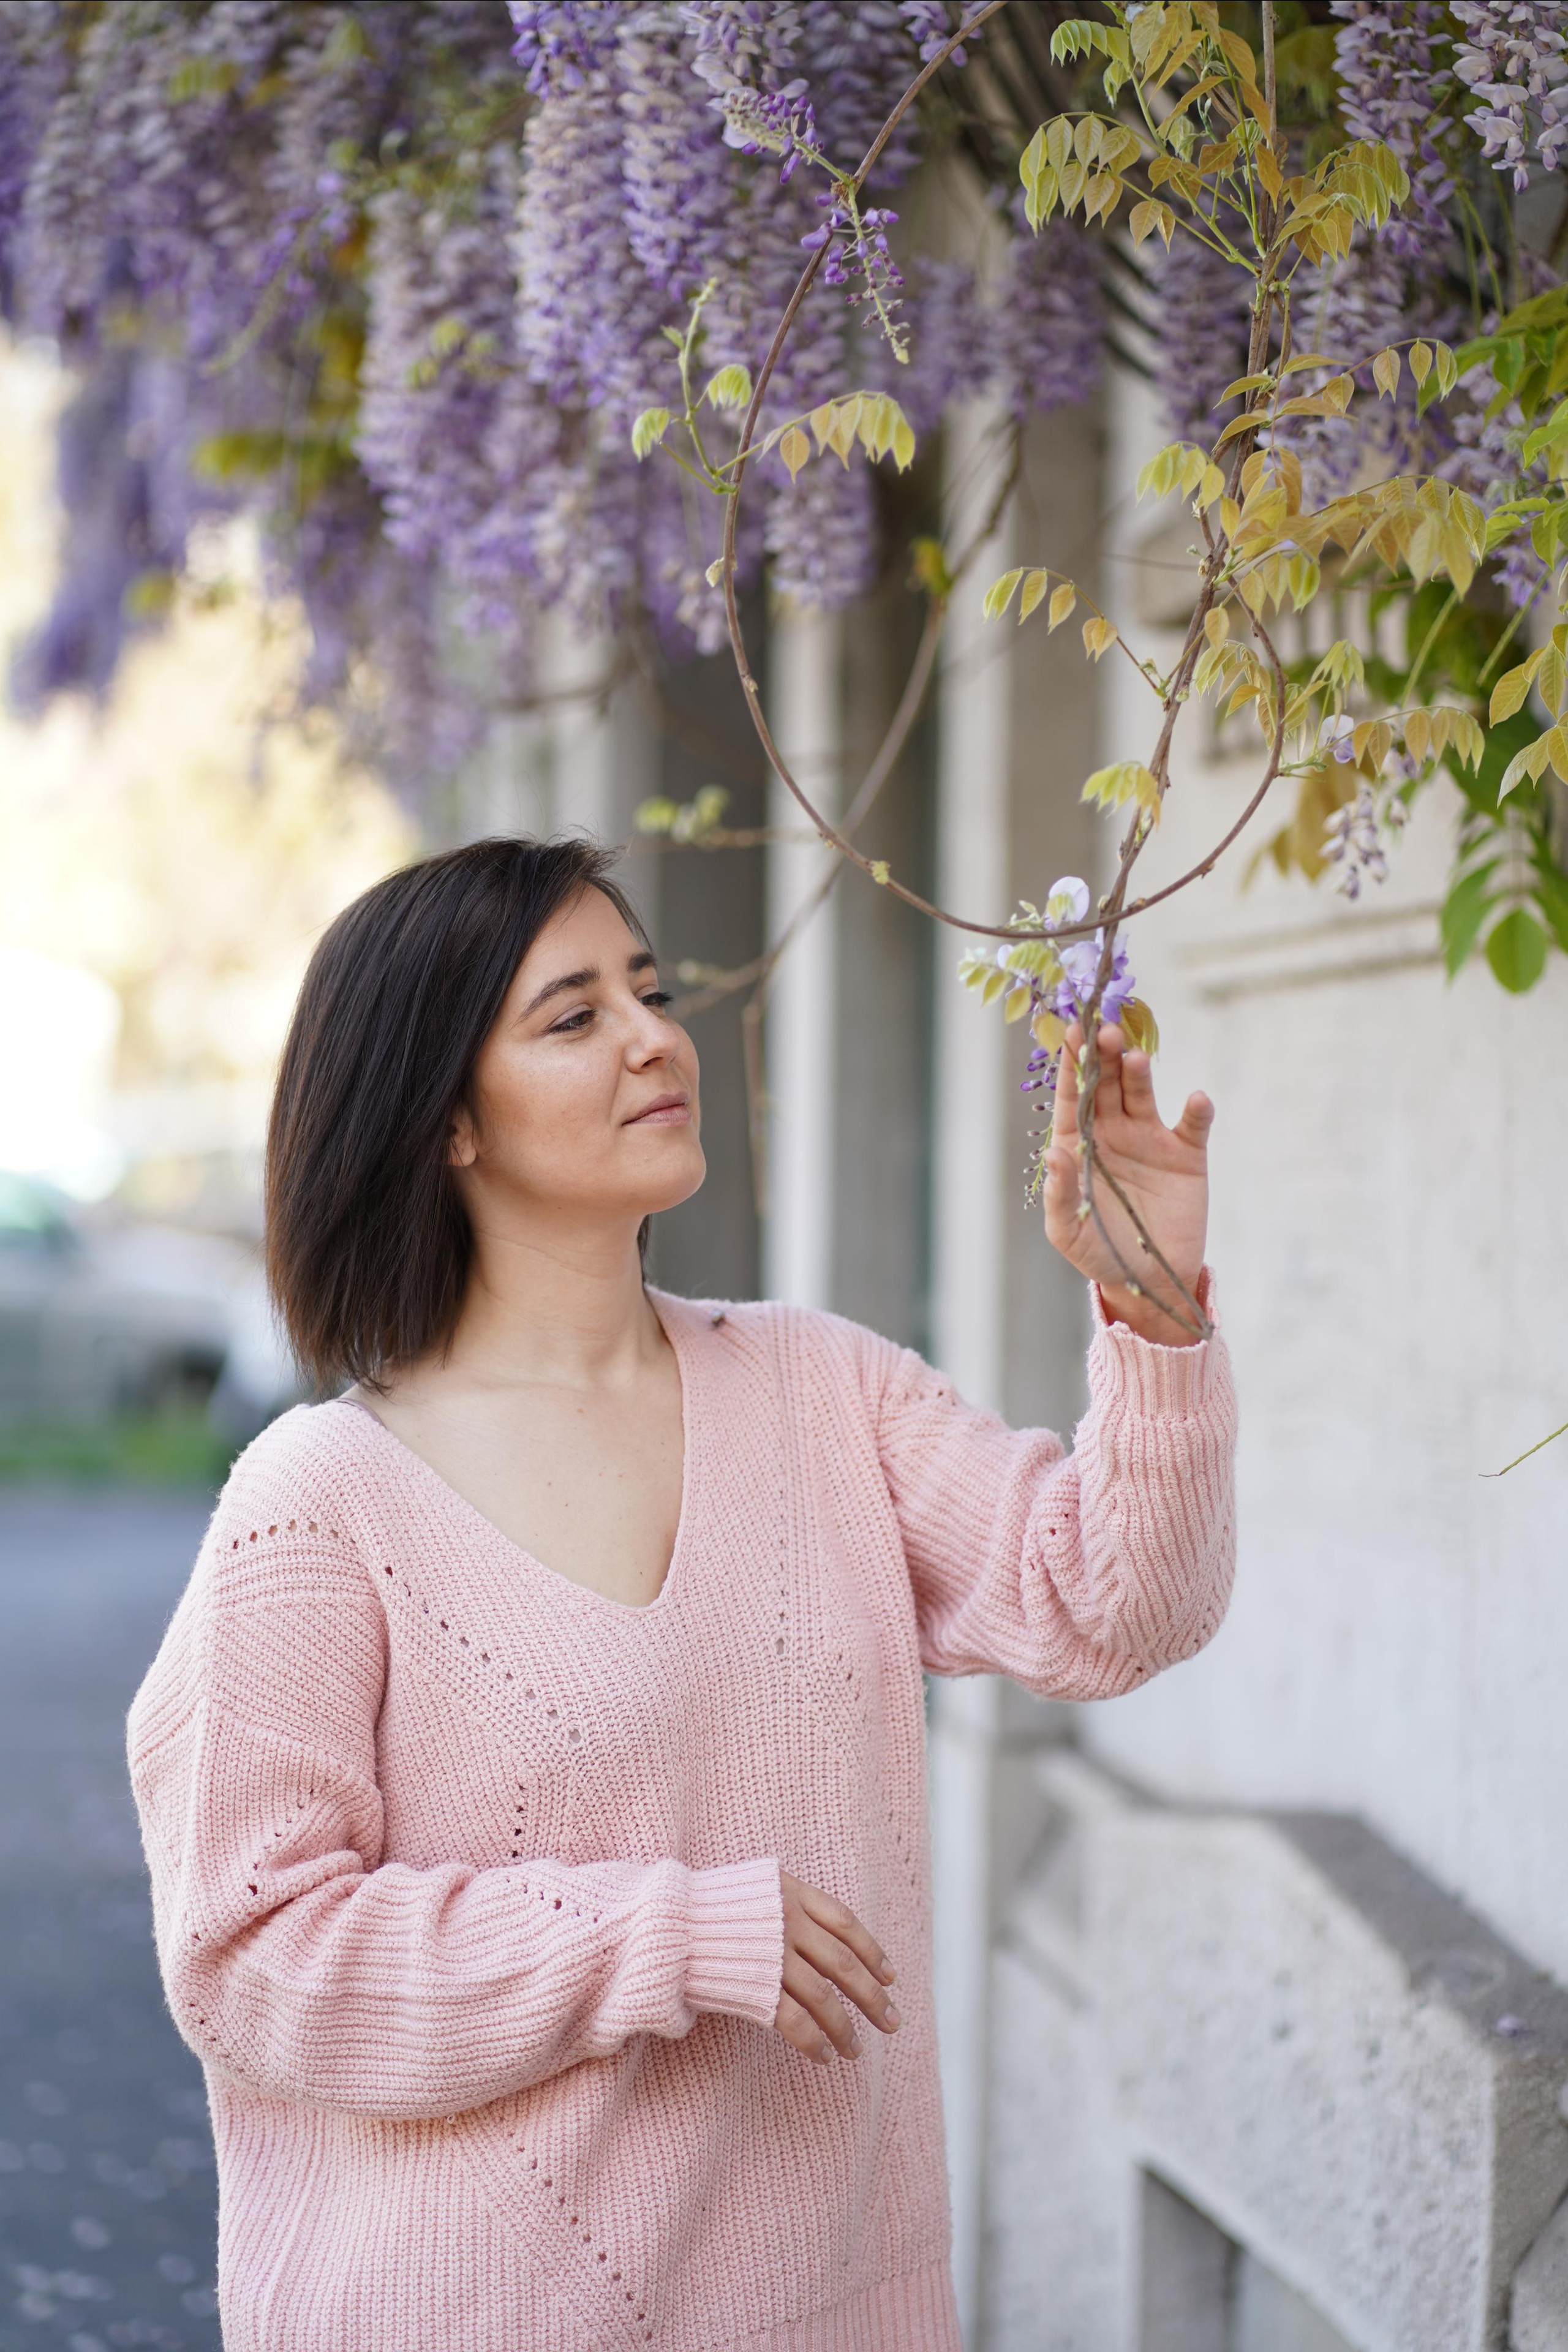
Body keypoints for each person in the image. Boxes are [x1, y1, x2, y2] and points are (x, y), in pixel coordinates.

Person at [128, 834, 1236, 2352]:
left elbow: (1116, 1606)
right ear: (445, 1117)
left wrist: (1154, 1317)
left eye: (647, 989)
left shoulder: (818, 1390)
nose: (655, 1036)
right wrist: (669, 1936)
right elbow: (255, 1964)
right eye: (573, 1015)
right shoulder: (318, 1504)